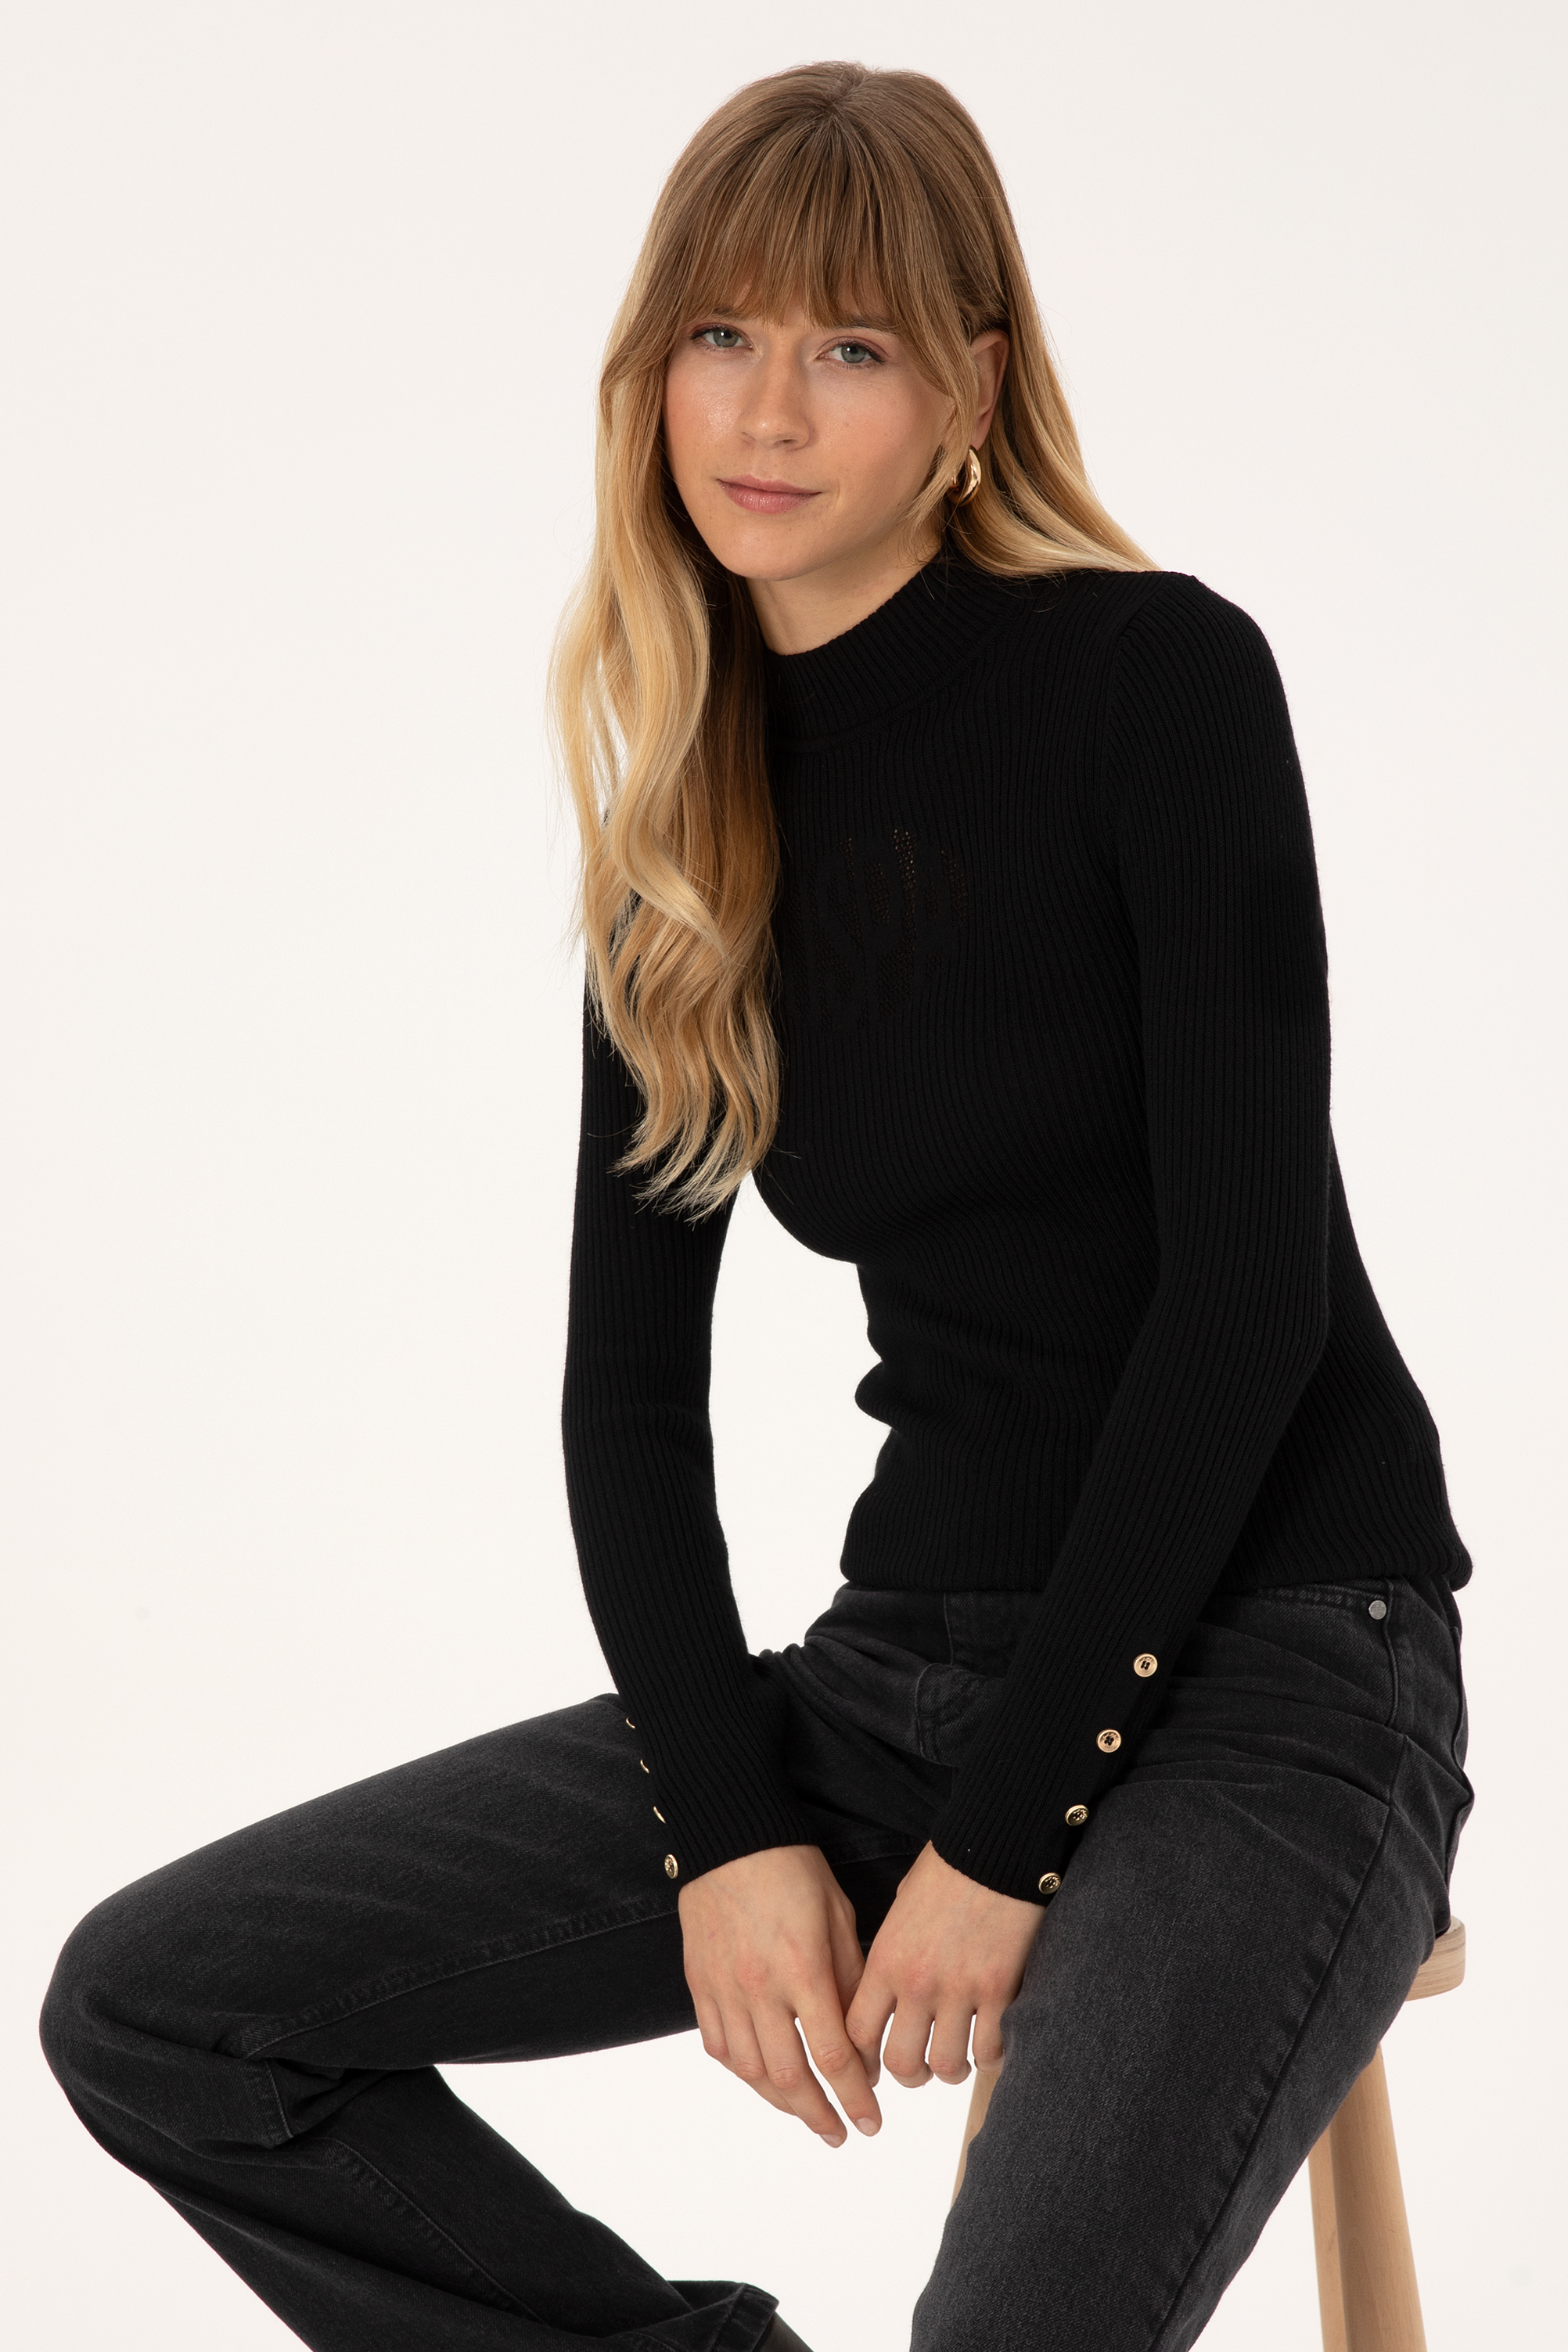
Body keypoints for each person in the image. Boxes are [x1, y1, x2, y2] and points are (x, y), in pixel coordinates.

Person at [40, 60, 1475, 2352]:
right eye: (719, 334)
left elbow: (1242, 1306)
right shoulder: (687, 839)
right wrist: (725, 1824)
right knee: (163, 2011)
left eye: (850, 346)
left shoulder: (1155, 680)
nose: (767, 409)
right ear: (652, 372)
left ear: (966, 393)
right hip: (909, 1671)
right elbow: (628, 1415)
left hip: (1275, 1674)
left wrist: (1004, 1839)